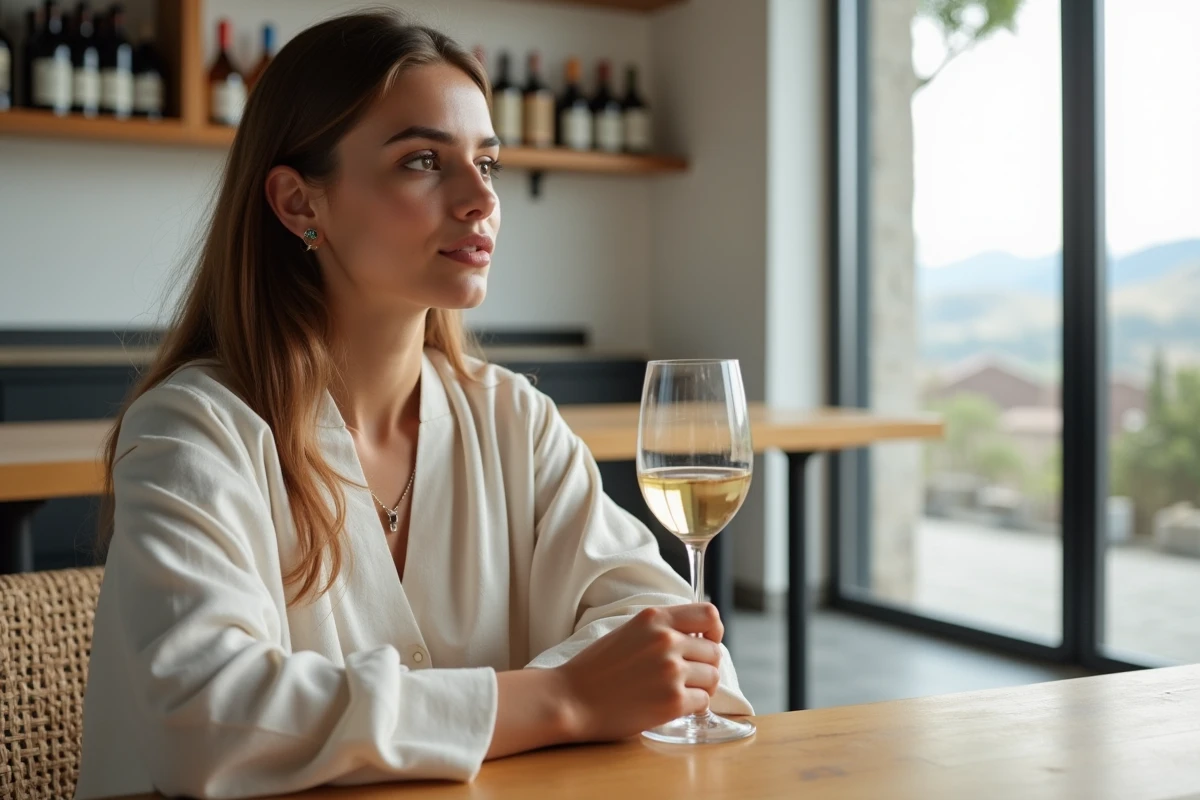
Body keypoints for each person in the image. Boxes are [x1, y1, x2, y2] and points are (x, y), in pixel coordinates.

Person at [73, 10, 751, 800]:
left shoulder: (514, 422)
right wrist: (563, 698)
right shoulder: (193, 433)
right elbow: (209, 716)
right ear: (299, 204)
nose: (479, 200)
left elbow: (678, 643)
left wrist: (556, 698)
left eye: (487, 162)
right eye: (423, 160)